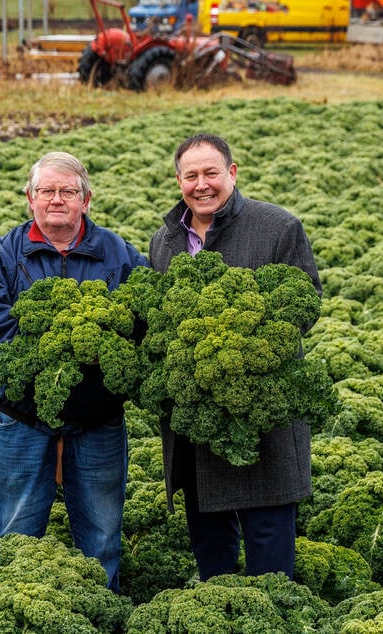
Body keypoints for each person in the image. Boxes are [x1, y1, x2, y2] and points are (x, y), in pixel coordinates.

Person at [0, 151, 148, 592]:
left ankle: (100, 608)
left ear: (86, 200)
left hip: (97, 419)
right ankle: (13, 606)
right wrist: (57, 358)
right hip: (24, 417)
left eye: (68, 191)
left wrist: (95, 363)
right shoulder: (3, 257)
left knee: (103, 537)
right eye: (46, 190)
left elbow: (145, 321)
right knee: (16, 531)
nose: (56, 199)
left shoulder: (120, 255)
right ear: (30, 198)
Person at [148, 133, 323, 581]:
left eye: (211, 173)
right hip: (196, 427)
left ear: (232, 173)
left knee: (270, 555)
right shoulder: (163, 242)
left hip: (261, 419)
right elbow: (157, 322)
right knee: (212, 556)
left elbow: (304, 306)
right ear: (178, 180)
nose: (201, 184)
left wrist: (245, 347)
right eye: (191, 175)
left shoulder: (278, 227)